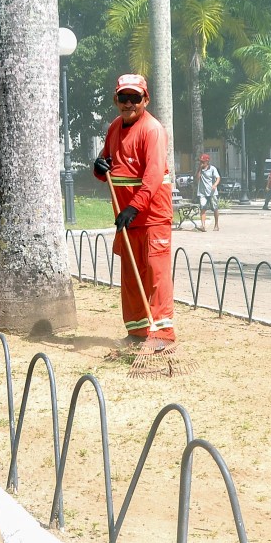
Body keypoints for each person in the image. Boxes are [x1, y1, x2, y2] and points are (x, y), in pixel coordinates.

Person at [91, 73, 175, 346]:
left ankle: (162, 334)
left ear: (145, 100)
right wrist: (99, 168)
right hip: (127, 216)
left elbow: (152, 177)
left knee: (155, 273)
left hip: (152, 215)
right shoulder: (115, 127)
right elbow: (109, 165)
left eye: (135, 98)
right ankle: (137, 332)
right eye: (123, 98)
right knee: (131, 276)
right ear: (116, 100)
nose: (129, 103)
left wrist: (134, 207)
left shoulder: (152, 130)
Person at [196, 153, 221, 231]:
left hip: (212, 192)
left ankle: (216, 225)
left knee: (215, 208)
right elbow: (197, 179)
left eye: (203, 162)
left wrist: (215, 185)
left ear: (207, 161)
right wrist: (199, 169)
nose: (202, 163)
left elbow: (218, 178)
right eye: (201, 161)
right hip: (202, 192)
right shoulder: (200, 169)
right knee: (203, 208)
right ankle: (203, 226)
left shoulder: (212, 168)